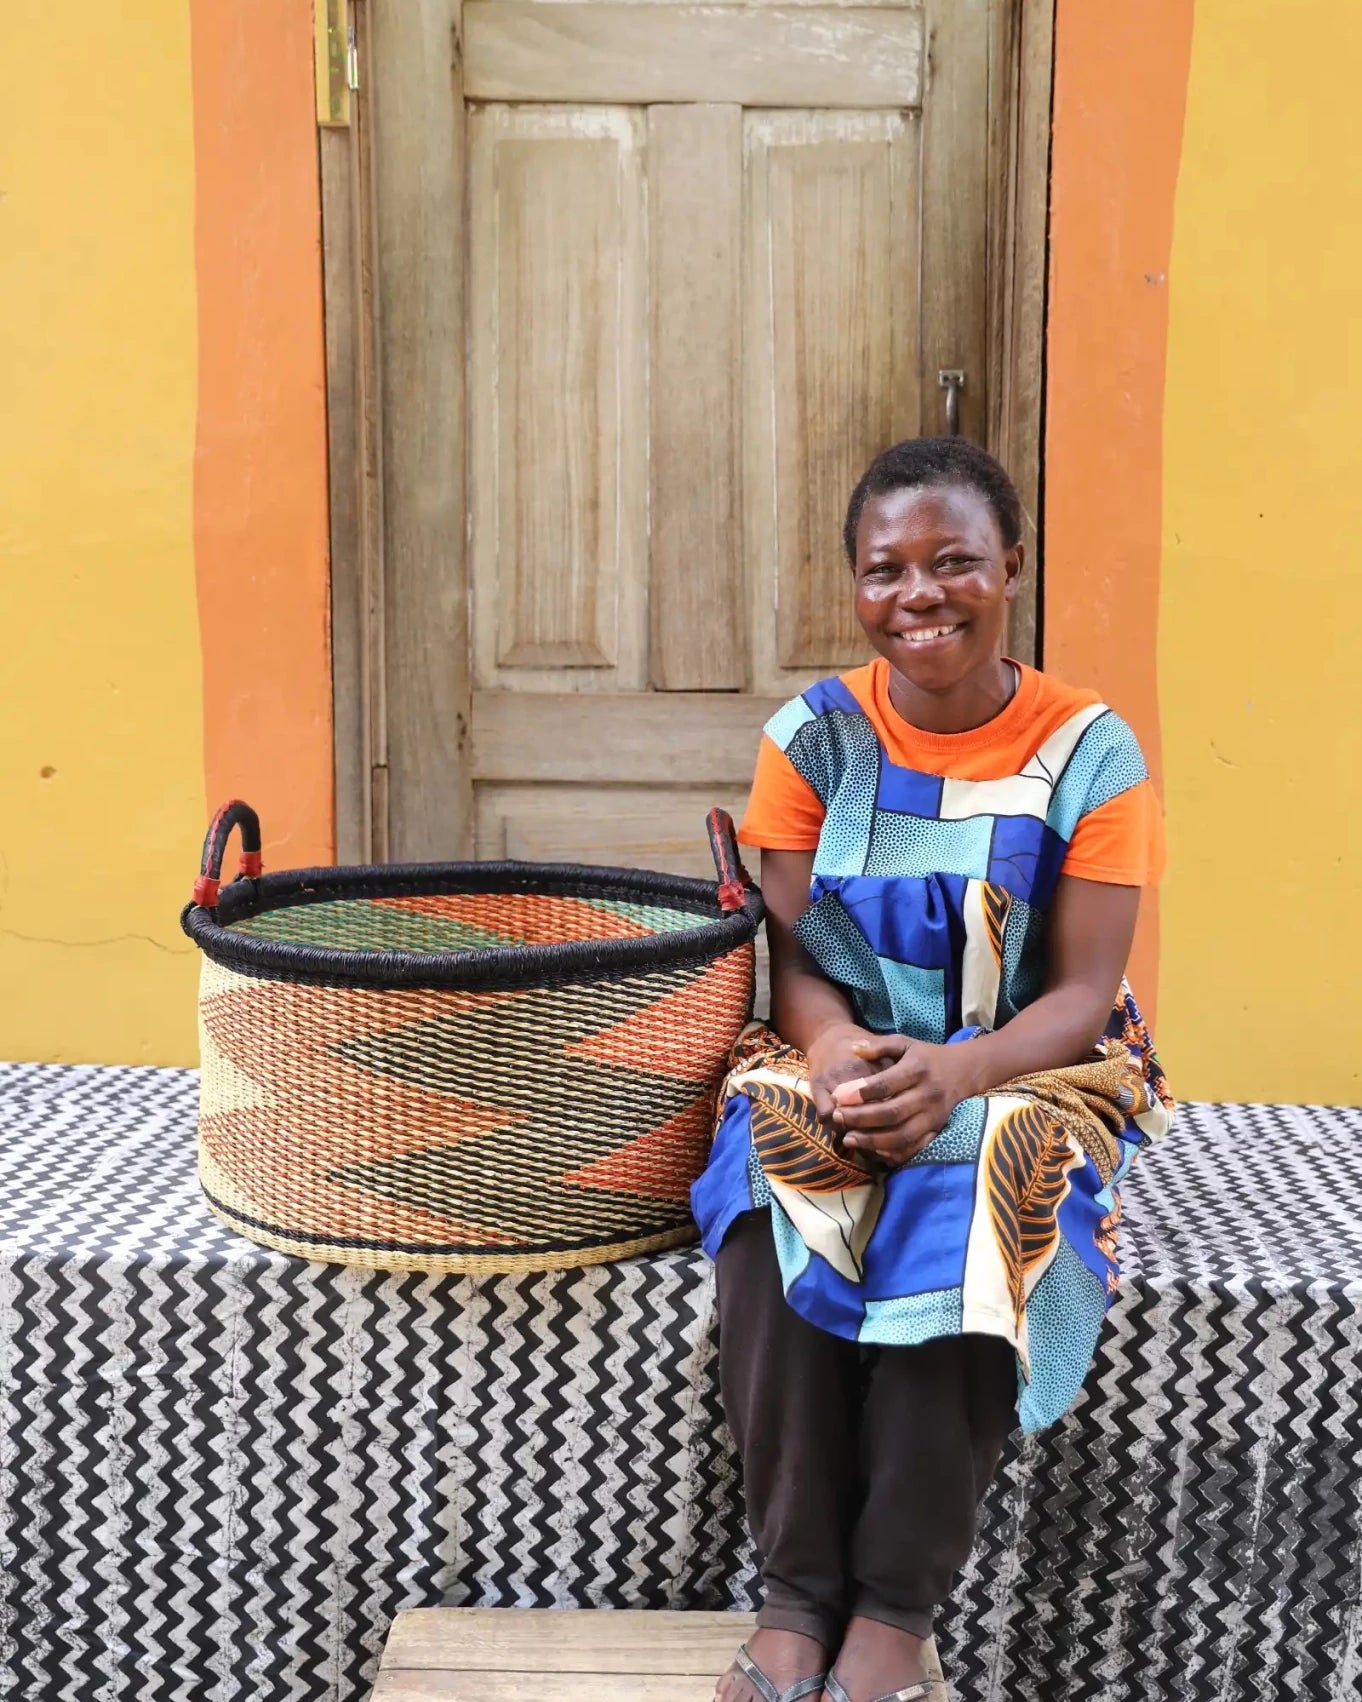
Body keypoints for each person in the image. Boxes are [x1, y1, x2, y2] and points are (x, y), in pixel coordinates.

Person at [691, 438, 1173, 1702]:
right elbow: (797, 960)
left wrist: (957, 1075)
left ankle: (895, 1614)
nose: (922, 595)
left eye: (954, 561)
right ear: (855, 586)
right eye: (886, 569)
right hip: (842, 1042)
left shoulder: (1089, 750)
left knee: (984, 1195)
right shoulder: (814, 737)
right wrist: (837, 1046)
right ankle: (795, 1595)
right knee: (767, 1182)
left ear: (1011, 566)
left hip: (1029, 1062)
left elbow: (1078, 993)